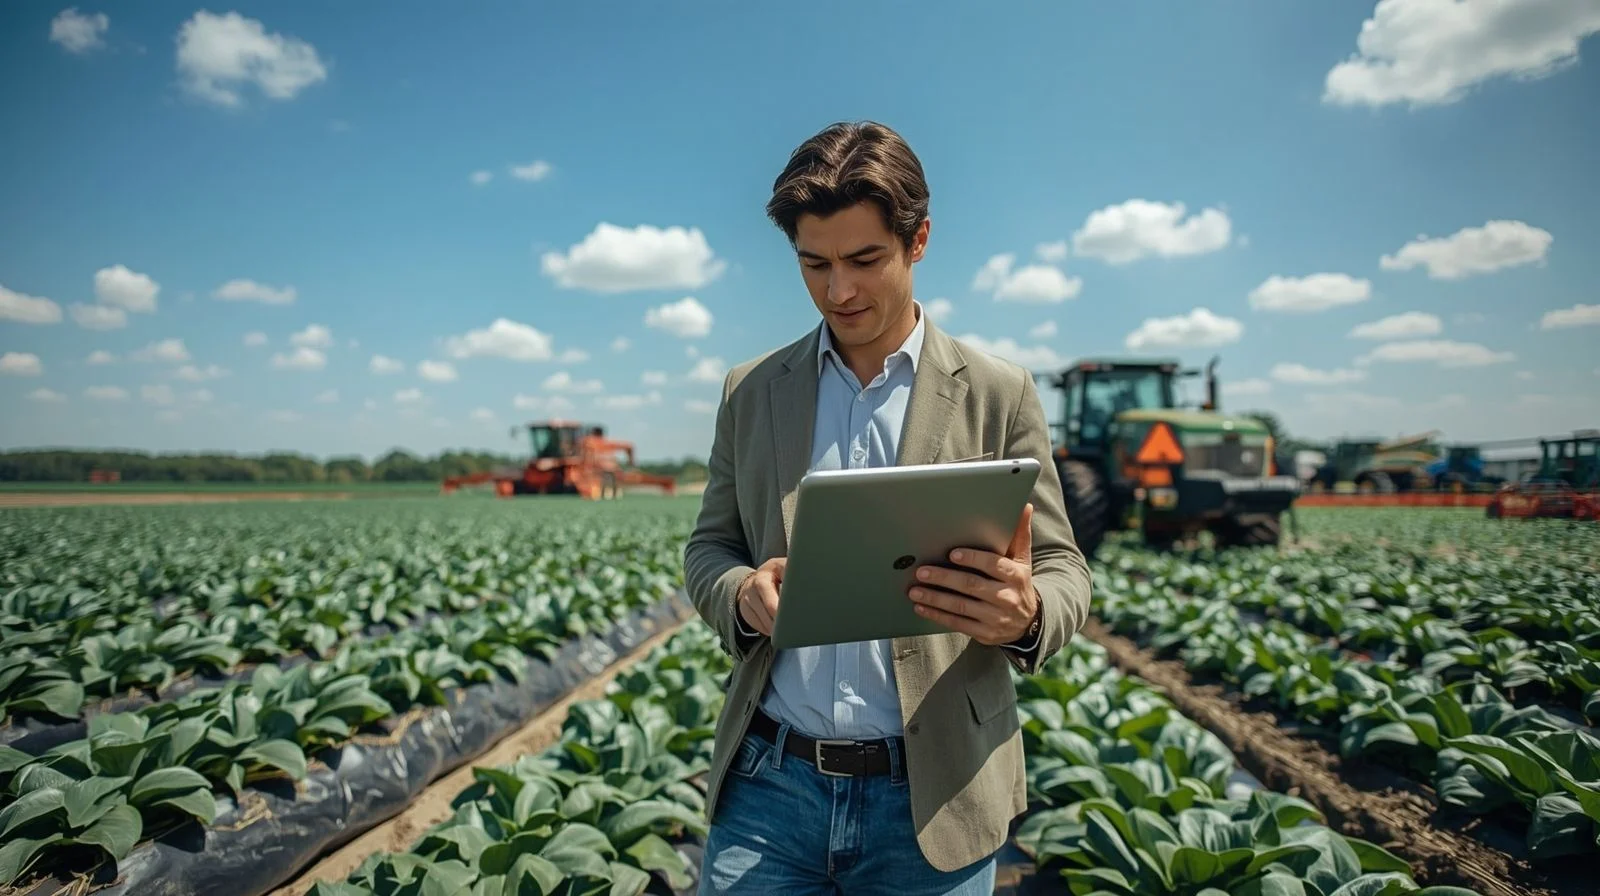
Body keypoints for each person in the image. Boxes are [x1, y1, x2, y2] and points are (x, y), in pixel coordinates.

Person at [682, 120, 1093, 894]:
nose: (839, 290)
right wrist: (741, 594)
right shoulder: (751, 392)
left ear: (920, 240)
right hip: (771, 786)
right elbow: (709, 547)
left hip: (935, 792)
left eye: (865, 260)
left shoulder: (1000, 392)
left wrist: (1029, 614)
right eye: (814, 264)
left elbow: (1064, 566)